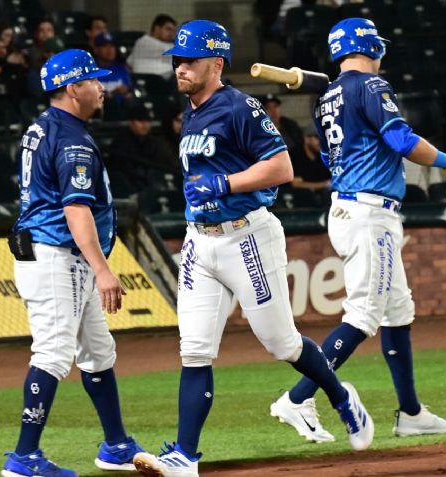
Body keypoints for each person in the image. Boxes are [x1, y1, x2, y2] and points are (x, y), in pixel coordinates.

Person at [131, 20, 374, 477]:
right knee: (194, 350)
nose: (179, 67)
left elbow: (281, 168)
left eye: (188, 60)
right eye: (176, 60)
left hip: (247, 238)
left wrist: (225, 182)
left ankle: (343, 399)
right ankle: (184, 456)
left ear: (216, 63)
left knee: (281, 343)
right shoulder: (191, 111)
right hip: (201, 243)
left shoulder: (240, 106)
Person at [269, 18, 446, 445]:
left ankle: (411, 412)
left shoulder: (326, 97)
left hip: (350, 208)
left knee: (399, 310)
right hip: (369, 212)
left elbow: (327, 157)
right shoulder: (372, 87)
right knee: (363, 315)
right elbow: (401, 139)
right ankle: (298, 397)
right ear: (372, 46)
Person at [0, 49, 145, 477]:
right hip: (56, 255)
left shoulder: (44, 127)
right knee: (53, 354)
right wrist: (103, 270)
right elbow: (76, 209)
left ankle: (116, 445)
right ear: (71, 88)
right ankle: (24, 458)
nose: (102, 86)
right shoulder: (72, 138)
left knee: (98, 353)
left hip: (54, 253)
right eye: (93, 80)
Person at [108, 102, 180, 189]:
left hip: (152, 184)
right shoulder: (121, 142)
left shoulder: (155, 142)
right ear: (131, 122)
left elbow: (167, 164)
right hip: (127, 186)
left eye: (147, 121)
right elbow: (122, 170)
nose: (145, 125)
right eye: (140, 121)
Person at [260, 94, 306, 177]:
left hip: (296, 162)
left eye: (275, 106)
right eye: (268, 107)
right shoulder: (260, 128)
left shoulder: (290, 124)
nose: (273, 110)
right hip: (274, 164)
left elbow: (301, 143)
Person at [126, 14, 177, 78]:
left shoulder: (140, 42)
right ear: (157, 28)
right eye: (168, 29)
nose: (172, 33)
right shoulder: (145, 41)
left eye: (173, 31)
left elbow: (129, 63)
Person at [92, 32, 132, 102]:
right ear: (96, 50)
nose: (109, 49)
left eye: (112, 46)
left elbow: (129, 91)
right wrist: (113, 93)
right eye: (105, 46)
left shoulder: (121, 68)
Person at [292, 124, 331, 191]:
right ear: (306, 139)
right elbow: (296, 184)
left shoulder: (323, 154)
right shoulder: (295, 155)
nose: (321, 142)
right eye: (317, 137)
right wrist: (325, 184)